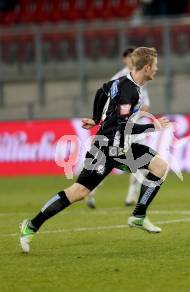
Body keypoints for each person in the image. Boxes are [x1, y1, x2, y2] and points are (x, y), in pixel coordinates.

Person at [19, 47, 170, 253]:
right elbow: (123, 126)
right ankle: (31, 225)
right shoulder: (129, 93)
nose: (157, 69)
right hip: (106, 148)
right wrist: (153, 126)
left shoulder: (124, 82)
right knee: (78, 192)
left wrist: (96, 118)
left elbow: (102, 90)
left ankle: (138, 216)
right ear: (146, 68)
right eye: (155, 66)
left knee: (160, 166)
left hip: (122, 146)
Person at [84, 47, 154, 224]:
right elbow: (105, 94)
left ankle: (131, 198)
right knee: (113, 163)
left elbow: (145, 103)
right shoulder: (121, 78)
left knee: (146, 164)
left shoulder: (141, 81)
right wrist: (98, 118)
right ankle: (91, 189)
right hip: (120, 129)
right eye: (129, 57)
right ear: (126, 60)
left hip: (134, 124)